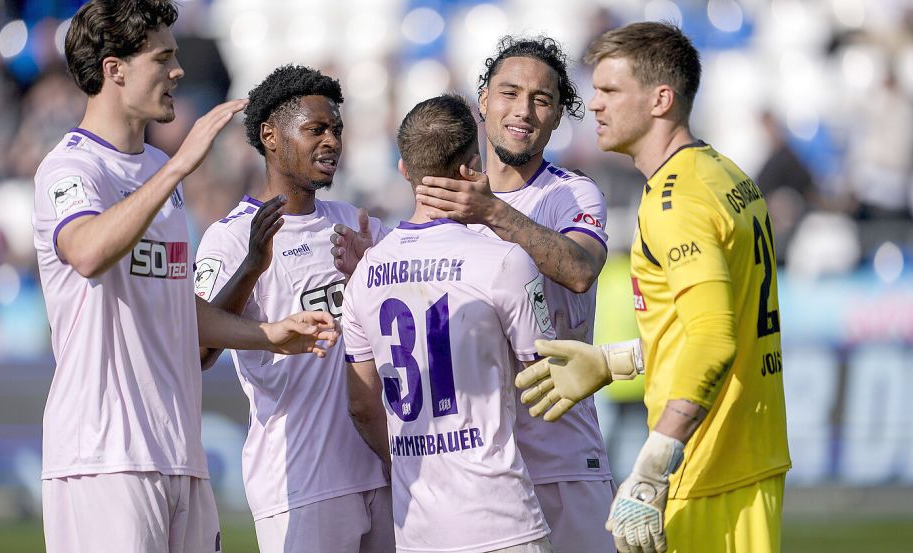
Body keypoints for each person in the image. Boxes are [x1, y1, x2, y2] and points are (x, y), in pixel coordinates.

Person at [32, 3, 337, 552]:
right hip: (104, 458)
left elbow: (177, 306)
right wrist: (179, 164)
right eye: (163, 58)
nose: (177, 71)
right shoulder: (72, 168)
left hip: (178, 450)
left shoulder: (155, 172)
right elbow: (86, 252)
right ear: (114, 69)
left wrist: (269, 335)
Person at [518, 22, 790, 553]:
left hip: (708, 468)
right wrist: (614, 362)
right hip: (747, 455)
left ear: (661, 98)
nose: (594, 105)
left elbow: (713, 340)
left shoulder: (675, 200)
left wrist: (651, 469)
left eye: (611, 91)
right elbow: (710, 324)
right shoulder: (723, 173)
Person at [415, 36, 621, 553]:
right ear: (483, 100)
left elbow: (578, 270)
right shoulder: (444, 196)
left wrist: (493, 213)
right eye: (509, 93)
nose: (523, 111)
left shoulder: (571, 193)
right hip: (475, 469)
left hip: (561, 460)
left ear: (556, 117)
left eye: (541, 99)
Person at [193, 65, 394, 553]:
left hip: (381, 465)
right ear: (271, 136)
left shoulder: (354, 224)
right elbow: (199, 351)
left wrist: (370, 277)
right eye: (315, 129)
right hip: (302, 481)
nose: (331, 142)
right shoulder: (229, 237)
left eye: (337, 130)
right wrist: (251, 268)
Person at [343, 94, 554, 553]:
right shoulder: (504, 261)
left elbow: (361, 405)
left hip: (418, 526)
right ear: (473, 167)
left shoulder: (364, 273)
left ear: (403, 169)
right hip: (501, 520)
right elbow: (548, 376)